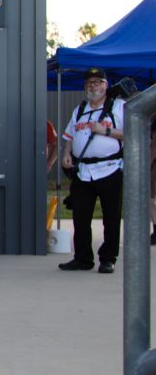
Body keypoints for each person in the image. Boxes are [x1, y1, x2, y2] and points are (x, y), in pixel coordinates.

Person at [59, 67, 124, 273]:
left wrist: (105, 130)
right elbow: (69, 136)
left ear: (106, 85)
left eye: (97, 82)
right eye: (88, 83)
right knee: (80, 216)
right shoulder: (80, 110)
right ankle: (82, 258)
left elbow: (134, 131)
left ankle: (108, 259)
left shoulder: (119, 107)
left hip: (110, 168)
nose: (92, 86)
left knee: (111, 216)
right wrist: (67, 154)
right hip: (83, 171)